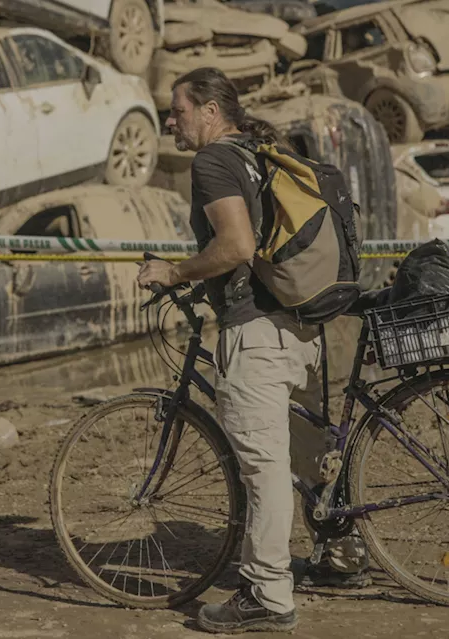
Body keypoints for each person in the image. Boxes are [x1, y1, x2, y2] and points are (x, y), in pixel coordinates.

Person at [136, 66, 321, 634]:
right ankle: (344, 555)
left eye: (179, 110)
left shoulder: (214, 161)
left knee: (263, 469)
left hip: (256, 331)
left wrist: (174, 272)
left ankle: (267, 596)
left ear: (211, 111)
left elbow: (237, 245)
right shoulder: (262, 151)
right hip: (305, 329)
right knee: (311, 459)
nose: (171, 120)